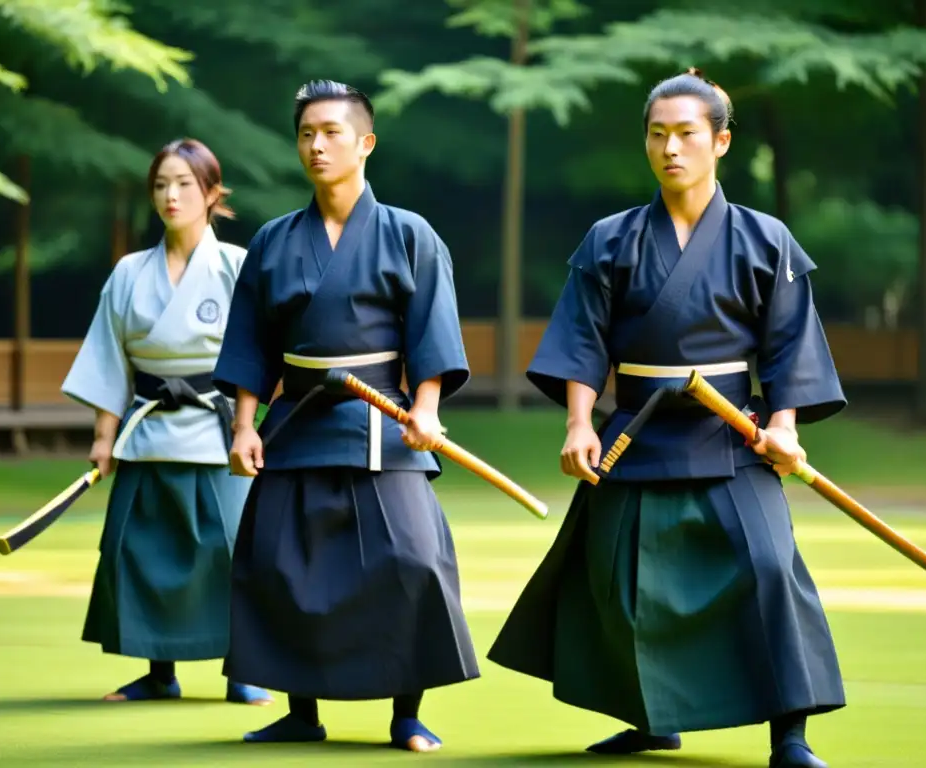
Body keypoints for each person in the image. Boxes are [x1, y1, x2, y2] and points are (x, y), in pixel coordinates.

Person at [486, 69, 846, 768]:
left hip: (733, 432)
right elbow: (582, 340)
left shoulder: (763, 238)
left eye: (686, 133)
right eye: (658, 134)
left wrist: (786, 426)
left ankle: (791, 735)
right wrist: (579, 423)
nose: (670, 148)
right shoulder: (610, 239)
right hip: (638, 431)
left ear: (721, 141)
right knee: (624, 585)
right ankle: (652, 720)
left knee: (770, 570)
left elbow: (787, 344)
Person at [212, 79, 478, 753]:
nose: (317, 145)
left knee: (413, 561)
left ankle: (406, 714)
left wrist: (425, 408)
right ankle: (302, 711)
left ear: (365, 143)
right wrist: (244, 425)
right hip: (298, 422)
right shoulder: (273, 241)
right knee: (283, 567)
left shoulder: (409, 234)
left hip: (384, 424)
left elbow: (433, 332)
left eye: (331, 132)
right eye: (306, 133)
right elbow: (249, 343)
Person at [61, 138, 272, 707]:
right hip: (147, 430)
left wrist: (246, 427)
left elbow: (257, 352)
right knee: (141, 552)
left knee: (229, 553)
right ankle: (159, 671)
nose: (170, 195)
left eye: (183, 183)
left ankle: (244, 669)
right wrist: (104, 438)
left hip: (215, 429)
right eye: (160, 184)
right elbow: (109, 358)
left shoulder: (236, 266)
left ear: (210, 193)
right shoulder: (130, 272)